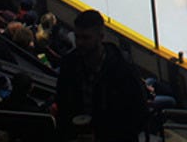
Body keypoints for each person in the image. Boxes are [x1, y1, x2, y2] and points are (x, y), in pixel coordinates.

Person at [55, 9, 147, 142]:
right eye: (77, 37)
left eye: (86, 37)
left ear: (101, 36)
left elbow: (138, 115)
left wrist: (102, 136)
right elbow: (63, 104)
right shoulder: (69, 64)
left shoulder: (122, 69)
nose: (79, 42)